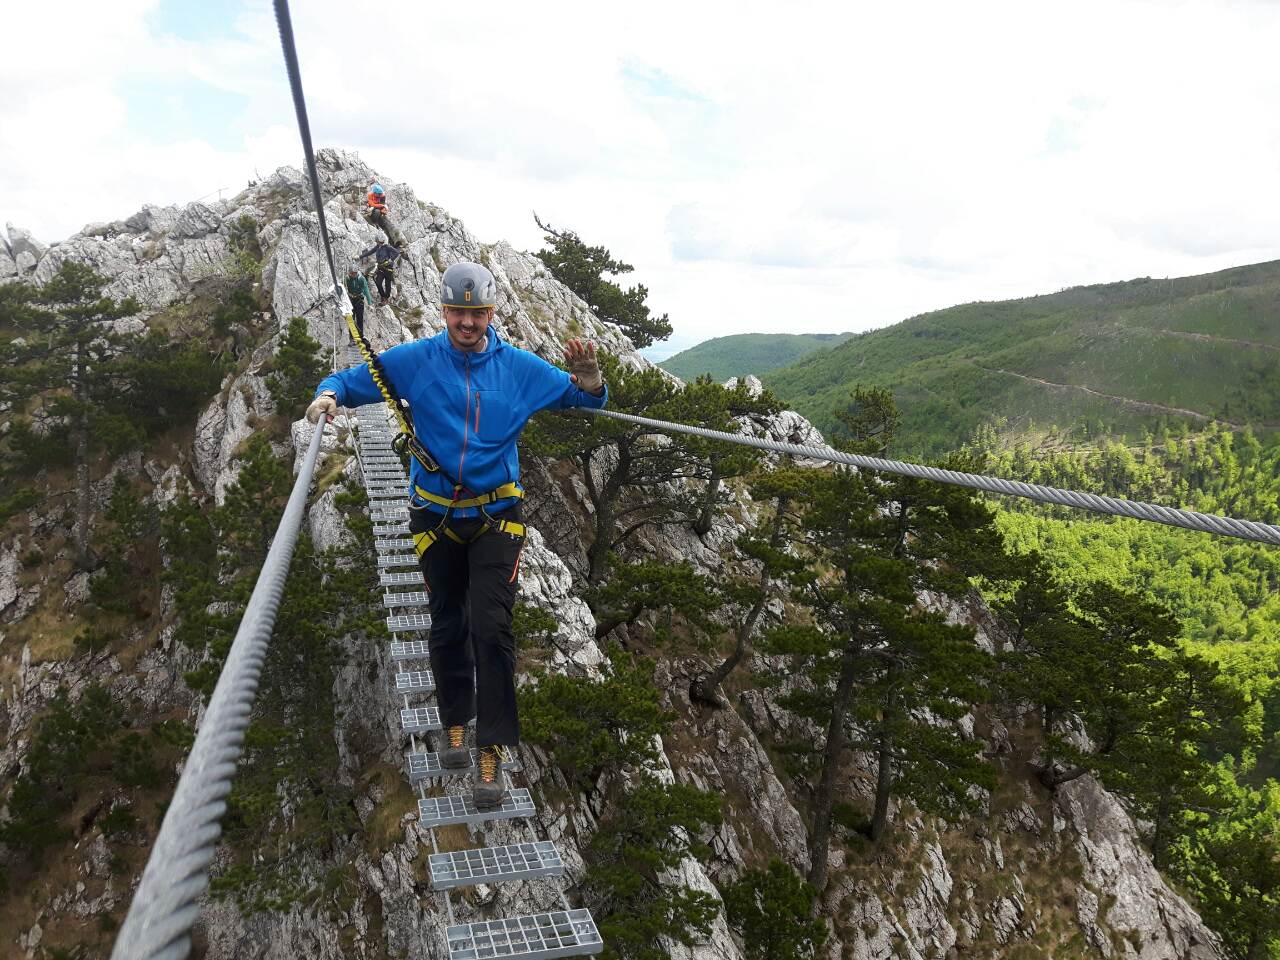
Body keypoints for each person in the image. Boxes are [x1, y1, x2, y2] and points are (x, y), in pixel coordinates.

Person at [306, 262, 607, 808]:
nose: (468, 322)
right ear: (444, 312)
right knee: (447, 622)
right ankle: (454, 724)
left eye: (478, 313)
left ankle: (490, 749)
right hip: (436, 516)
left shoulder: (517, 368)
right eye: (458, 312)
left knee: (491, 629)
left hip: (496, 517)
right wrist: (328, 396)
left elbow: (582, 400)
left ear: (491, 314)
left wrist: (590, 382)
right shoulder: (417, 361)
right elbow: (354, 380)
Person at [344, 263, 375, 337]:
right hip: (350, 299)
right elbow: (343, 288)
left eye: (354, 273)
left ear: (357, 272)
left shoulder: (361, 279)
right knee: (351, 319)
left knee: (360, 318)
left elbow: (366, 290)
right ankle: (352, 338)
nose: (353, 274)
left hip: (359, 299)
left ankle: (360, 336)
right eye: (351, 273)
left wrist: (370, 304)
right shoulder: (347, 278)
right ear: (349, 272)